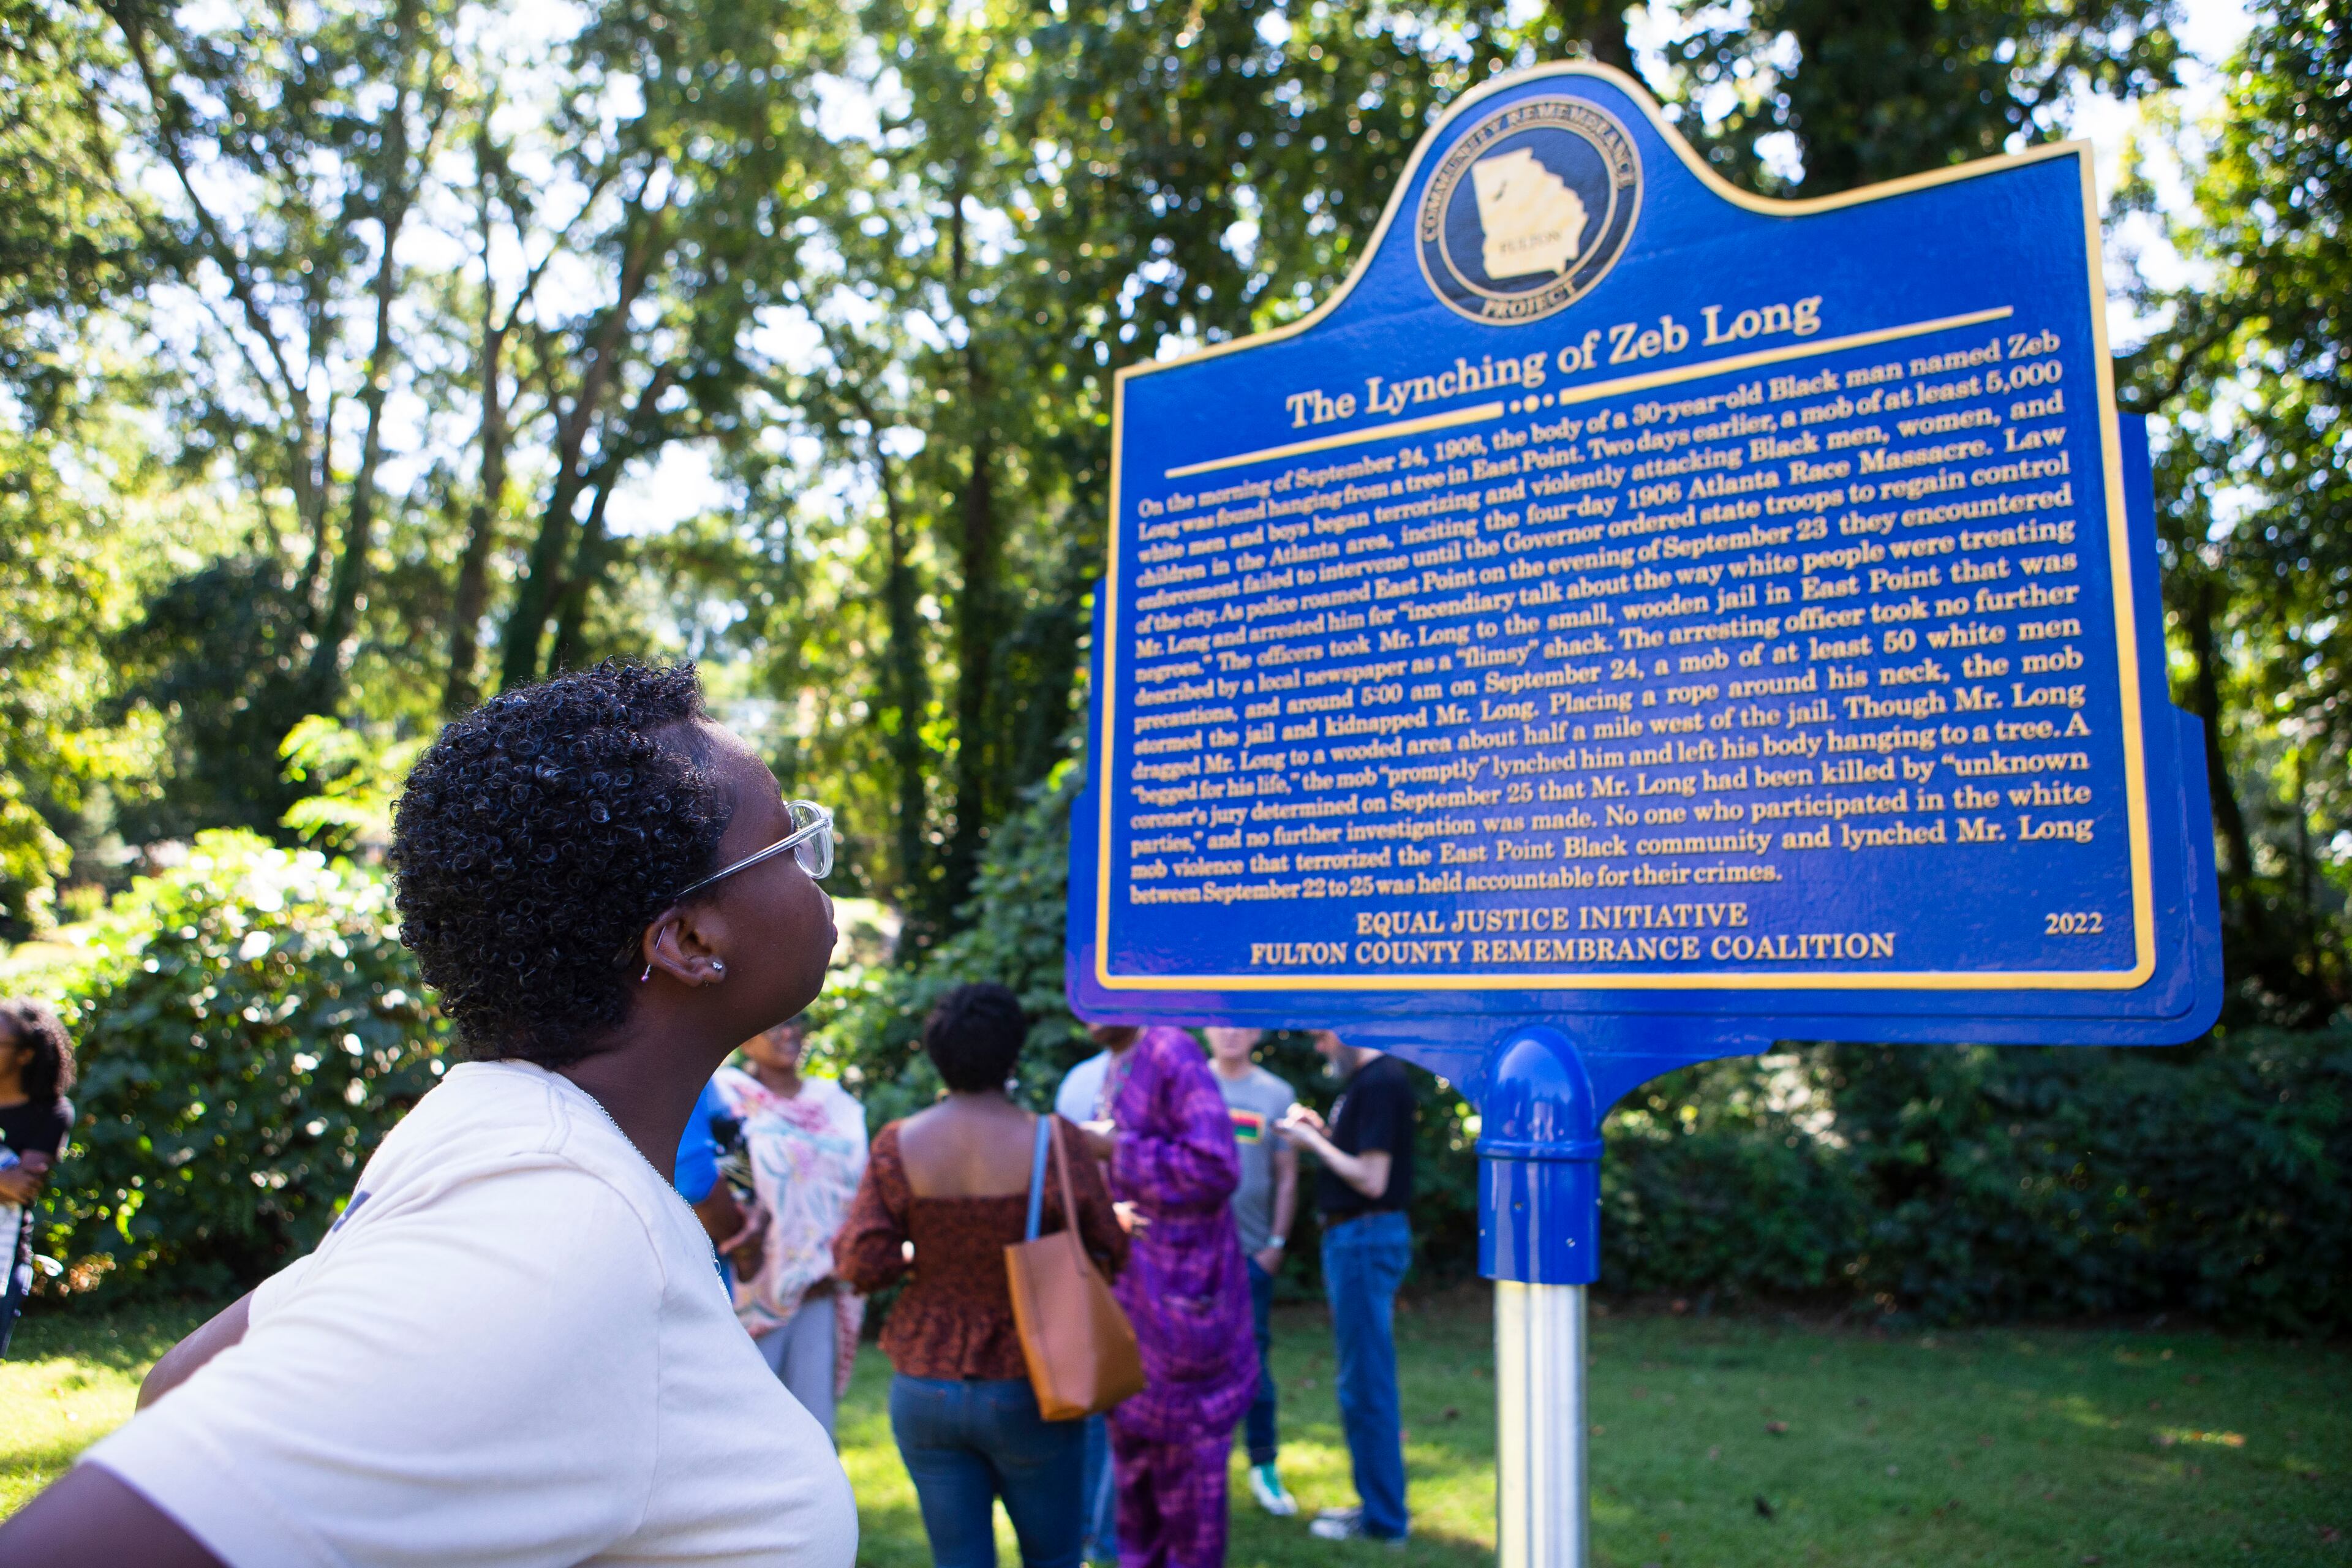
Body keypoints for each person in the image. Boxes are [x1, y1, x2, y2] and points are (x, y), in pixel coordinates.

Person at [0, 660, 858, 1568]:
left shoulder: (489, 1124)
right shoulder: (567, 1225)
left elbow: (180, 1382)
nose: (815, 864)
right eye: (787, 840)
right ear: (689, 940)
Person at [834, 984, 1128, 1568]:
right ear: (1013, 1054)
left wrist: (928, 1255)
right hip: (1033, 1380)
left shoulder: (898, 1144)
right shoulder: (1054, 1141)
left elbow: (861, 1263)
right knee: (1054, 1557)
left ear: (937, 1055)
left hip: (924, 1384)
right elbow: (1110, 1247)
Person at [1083, 1023, 1256, 1568]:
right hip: (1131, 1320)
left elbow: (1216, 1165)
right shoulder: (1119, 1060)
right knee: (1137, 1506)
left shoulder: (1170, 1048)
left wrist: (1113, 1148)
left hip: (1187, 1323)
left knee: (1190, 1513)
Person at [1279, 1031, 1417, 1545]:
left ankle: (1385, 1521)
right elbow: (1359, 1158)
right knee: (1359, 1382)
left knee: (1367, 1385)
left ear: (1344, 1026)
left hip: (1363, 1237)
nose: (1318, 1048)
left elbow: (1373, 1178)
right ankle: (1376, 1508)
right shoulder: (1369, 1082)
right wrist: (1324, 1133)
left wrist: (1312, 1143)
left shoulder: (1381, 1081)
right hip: (1357, 1238)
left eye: (1320, 1035)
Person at [718, 1014, 867, 1440]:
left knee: (812, 1426)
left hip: (821, 1284)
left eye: (796, 1023)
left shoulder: (833, 1102)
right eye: (773, 1026)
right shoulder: (729, 1099)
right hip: (751, 1287)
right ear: (746, 1041)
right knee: (750, 1430)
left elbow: (860, 1181)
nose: (788, 1033)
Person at [1202, 1027, 1299, 1517]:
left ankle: (1264, 1465)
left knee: (1254, 1364)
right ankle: (1200, 1470)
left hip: (1252, 1255)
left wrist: (1276, 1245)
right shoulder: (1190, 1084)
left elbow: (1287, 1176)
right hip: (1193, 1258)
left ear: (1256, 1032)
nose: (1231, 1033)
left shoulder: (1276, 1093)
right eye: (1220, 1023)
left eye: (1240, 1023)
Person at [1054, 1041, 1120, 1564]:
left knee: (1107, 1393)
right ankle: (1091, 1531)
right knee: (1100, 1395)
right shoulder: (1080, 1082)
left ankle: (1097, 1531)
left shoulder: (1167, 1065)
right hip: (1099, 1251)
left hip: (1117, 1251)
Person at [0, 998, 75, 1360]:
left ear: (25, 1054)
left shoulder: (51, 1112)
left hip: (5, 1256)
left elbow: (22, 1187)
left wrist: (11, 1183)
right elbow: (7, 1183)